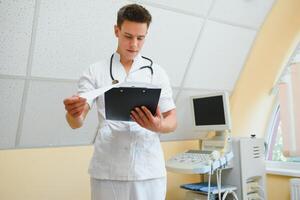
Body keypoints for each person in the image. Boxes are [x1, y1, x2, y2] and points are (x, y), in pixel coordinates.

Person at [63, 3, 177, 200]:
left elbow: (172, 120)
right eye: (128, 36)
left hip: (148, 171)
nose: (134, 44)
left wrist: (159, 125)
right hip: (108, 171)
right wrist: (74, 114)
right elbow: (76, 122)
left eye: (140, 38)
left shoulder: (157, 72)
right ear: (117, 30)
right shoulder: (95, 71)